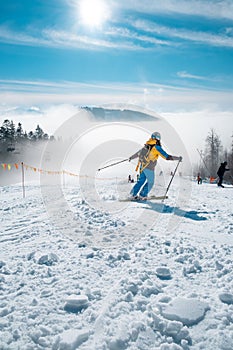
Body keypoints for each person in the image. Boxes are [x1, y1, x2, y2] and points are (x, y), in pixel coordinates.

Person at [128, 131, 182, 200]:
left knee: (141, 181)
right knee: (151, 182)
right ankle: (142, 195)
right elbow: (166, 157)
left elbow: (138, 153)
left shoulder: (147, 145)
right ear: (158, 139)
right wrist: (177, 158)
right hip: (149, 168)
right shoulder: (156, 147)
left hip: (142, 166)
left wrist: (131, 157)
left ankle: (132, 194)